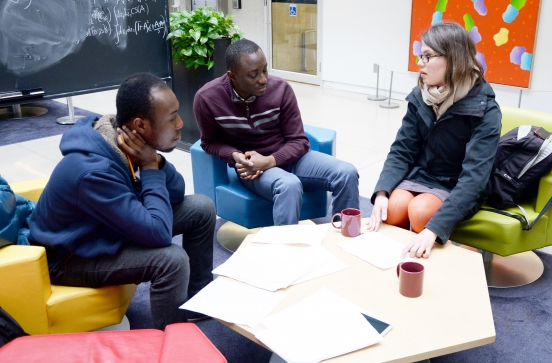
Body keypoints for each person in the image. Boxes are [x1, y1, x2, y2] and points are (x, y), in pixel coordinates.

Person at [28, 73, 216, 330]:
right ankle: (171, 341)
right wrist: (149, 168)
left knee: (201, 207)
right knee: (171, 259)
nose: (181, 123)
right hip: (70, 257)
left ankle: (196, 301)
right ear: (140, 125)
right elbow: (159, 234)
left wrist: (156, 162)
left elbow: (176, 191)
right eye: (171, 118)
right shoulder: (93, 171)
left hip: (106, 229)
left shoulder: (127, 143)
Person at [367, 22, 501, 259]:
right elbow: (402, 150)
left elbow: (474, 177)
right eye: (421, 55)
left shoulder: (485, 109)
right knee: (393, 207)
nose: (420, 63)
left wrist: (433, 230)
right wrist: (382, 192)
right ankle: (392, 264)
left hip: (456, 184)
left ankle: (423, 271)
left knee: (421, 212)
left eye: (428, 57)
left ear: (454, 59)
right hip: (422, 176)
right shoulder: (421, 96)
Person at [194, 39, 359, 225]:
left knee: (347, 172)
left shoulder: (281, 89)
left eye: (264, 70)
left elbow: (299, 141)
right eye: (253, 75)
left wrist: (269, 161)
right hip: (253, 170)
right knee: (289, 185)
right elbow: (209, 142)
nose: (263, 79)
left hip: (291, 159)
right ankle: (284, 251)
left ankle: (345, 239)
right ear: (232, 76)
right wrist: (236, 156)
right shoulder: (207, 98)